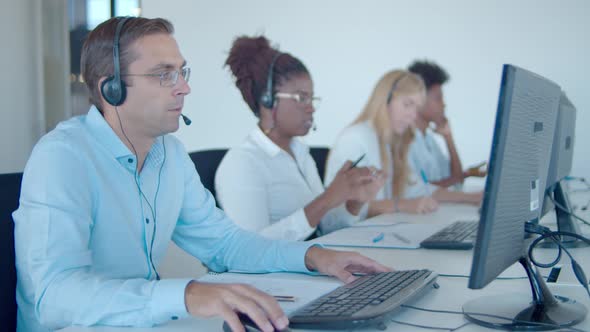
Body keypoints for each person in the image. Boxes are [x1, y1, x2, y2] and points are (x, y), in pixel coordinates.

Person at [13, 17, 390, 332]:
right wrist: (187, 294)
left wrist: (314, 257)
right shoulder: (62, 158)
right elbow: (53, 297)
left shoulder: (170, 155)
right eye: (164, 75)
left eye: (181, 72)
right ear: (111, 88)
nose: (184, 88)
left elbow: (225, 245)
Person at [214, 36, 385, 240]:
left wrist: (353, 203)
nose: (311, 107)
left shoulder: (301, 154)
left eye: (311, 98)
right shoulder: (242, 164)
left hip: (310, 265)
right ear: (267, 100)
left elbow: (321, 230)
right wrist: (327, 199)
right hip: (276, 272)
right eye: (301, 98)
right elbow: (250, 249)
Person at [325, 70, 482, 218]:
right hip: (345, 236)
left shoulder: (393, 142)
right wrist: (400, 205)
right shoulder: (355, 138)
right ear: (385, 100)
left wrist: (471, 198)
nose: (413, 115)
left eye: (416, 108)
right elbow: (341, 211)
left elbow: (417, 189)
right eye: (407, 104)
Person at [408, 60, 487, 188]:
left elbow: (455, 180)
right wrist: (461, 176)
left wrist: (448, 138)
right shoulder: (404, 142)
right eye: (438, 98)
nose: (443, 104)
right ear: (419, 100)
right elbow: (414, 191)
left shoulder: (429, 140)